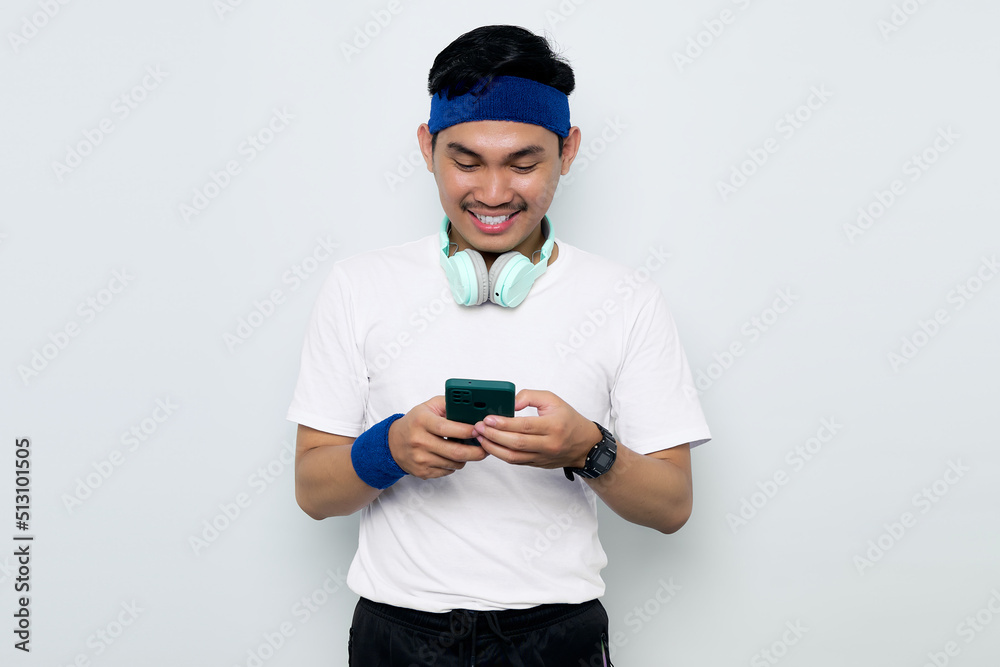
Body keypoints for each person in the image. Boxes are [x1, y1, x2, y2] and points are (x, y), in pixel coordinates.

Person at [287, 24, 711, 666]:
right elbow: (314, 493)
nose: (492, 194)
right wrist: (390, 448)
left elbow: (672, 506)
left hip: (556, 637)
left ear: (568, 151)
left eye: (523, 164)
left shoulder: (628, 298)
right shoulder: (358, 286)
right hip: (398, 635)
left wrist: (587, 449)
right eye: (465, 162)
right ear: (427, 147)